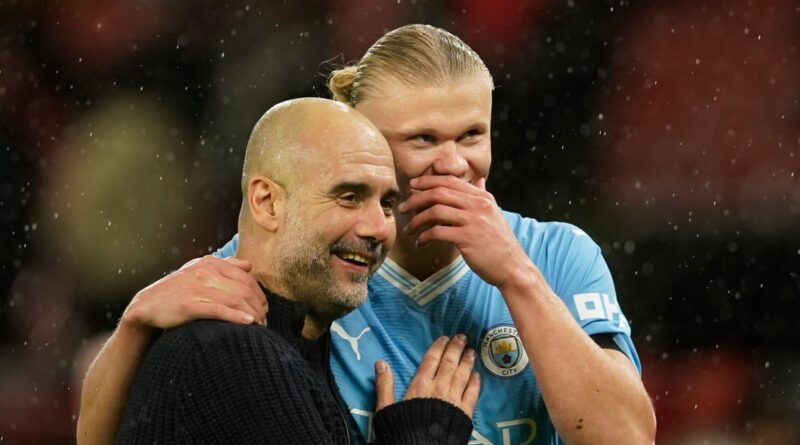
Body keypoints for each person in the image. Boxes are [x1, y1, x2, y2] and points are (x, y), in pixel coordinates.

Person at [79, 25, 656, 445]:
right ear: (360, 140)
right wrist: (135, 324)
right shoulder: (312, 265)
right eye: (423, 139)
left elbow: (628, 438)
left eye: (472, 134)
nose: (455, 164)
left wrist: (517, 277)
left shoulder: (557, 255)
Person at [115, 97, 479, 444]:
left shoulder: (288, 344)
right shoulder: (233, 352)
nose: (379, 228)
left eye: (386, 204)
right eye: (349, 197)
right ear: (267, 203)